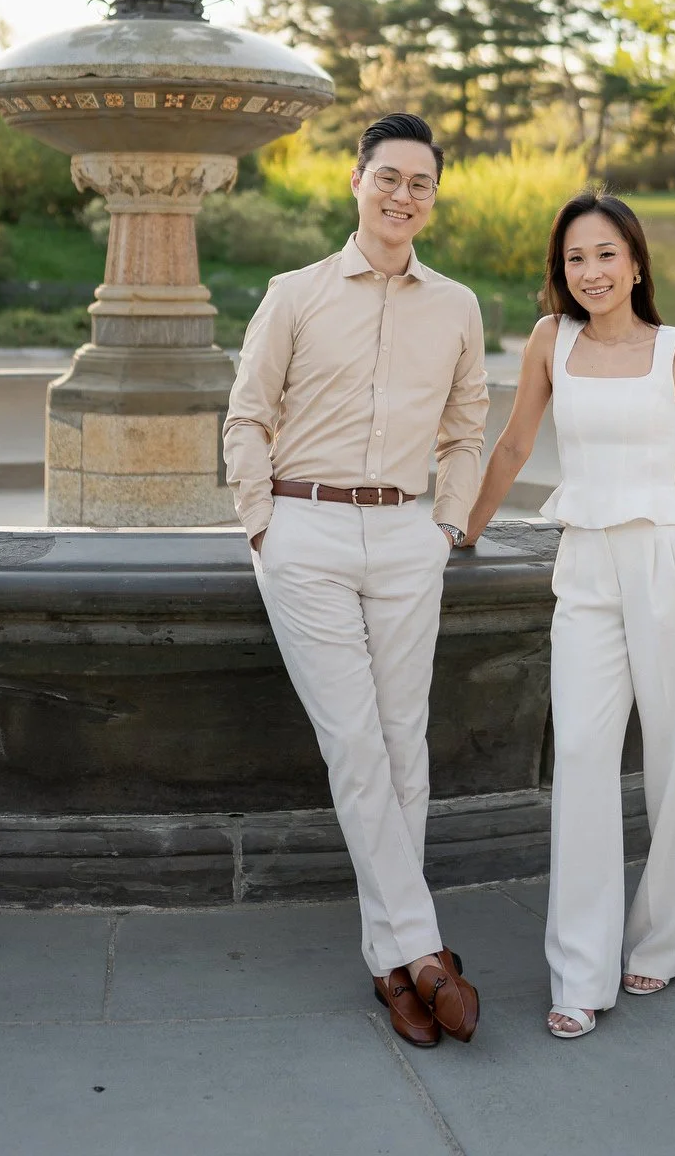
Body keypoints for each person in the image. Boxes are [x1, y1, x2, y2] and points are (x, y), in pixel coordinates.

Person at [223, 113, 489, 1049]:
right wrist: (264, 526)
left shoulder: (456, 305)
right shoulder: (293, 295)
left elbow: (467, 425)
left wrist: (448, 522)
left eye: (420, 183)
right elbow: (248, 414)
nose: (403, 195)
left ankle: (393, 963)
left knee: (403, 742)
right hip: (306, 533)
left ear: (432, 197)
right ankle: (425, 950)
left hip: (408, 534)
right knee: (355, 743)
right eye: (389, 177)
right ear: (357, 181)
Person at [465, 190, 675, 1041]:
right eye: (575, 258)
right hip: (583, 564)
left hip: (669, 563)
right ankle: (579, 974)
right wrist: (461, 529)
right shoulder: (552, 341)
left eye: (605, 256)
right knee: (584, 756)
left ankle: (658, 943)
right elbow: (515, 445)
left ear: (636, 262)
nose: (590, 272)